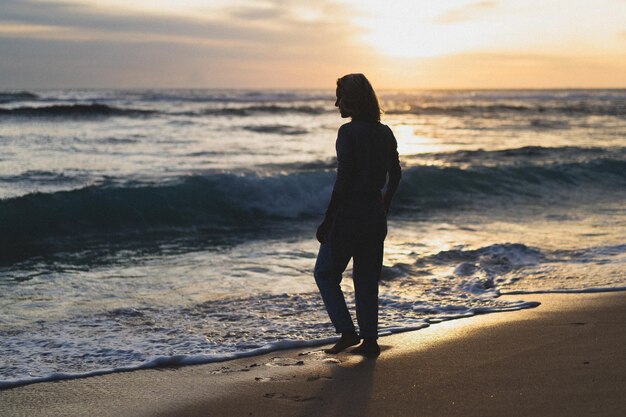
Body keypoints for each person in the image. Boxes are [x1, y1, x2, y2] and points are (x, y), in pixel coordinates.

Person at [314, 73, 401, 358]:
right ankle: (370, 340)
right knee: (365, 279)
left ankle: (347, 332)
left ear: (352, 99)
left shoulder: (348, 133)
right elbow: (396, 172)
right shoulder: (384, 131)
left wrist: (328, 218)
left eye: (340, 96)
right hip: (374, 215)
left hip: (349, 215)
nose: (337, 102)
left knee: (326, 273)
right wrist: (385, 201)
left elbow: (345, 178)